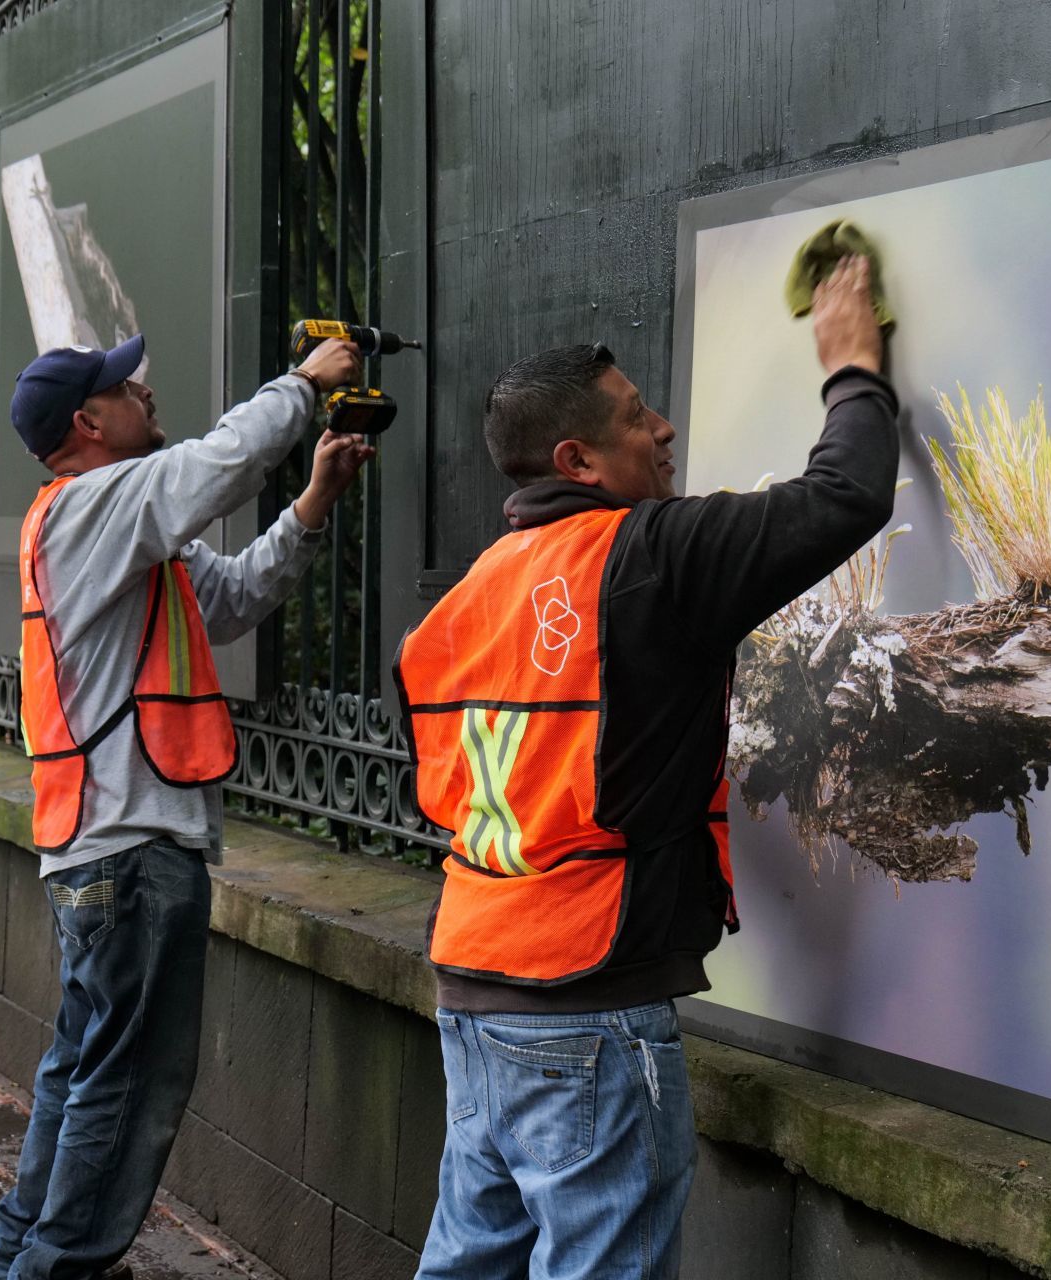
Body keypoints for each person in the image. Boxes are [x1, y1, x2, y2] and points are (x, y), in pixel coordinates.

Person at [397, 256, 900, 1279]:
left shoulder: (468, 597)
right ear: (580, 458)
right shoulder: (649, 558)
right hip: (586, 995)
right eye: (637, 417)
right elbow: (843, 496)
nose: (664, 427)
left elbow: (443, 787)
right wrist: (853, 365)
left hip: (473, 982)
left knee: (469, 1261)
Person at [0, 333, 371, 1280]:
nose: (145, 392)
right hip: (131, 852)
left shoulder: (109, 526)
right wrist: (302, 385)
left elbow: (229, 600)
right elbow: (218, 465)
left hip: (101, 847)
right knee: (129, 1084)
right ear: (89, 422)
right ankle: (56, 1269)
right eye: (127, 386)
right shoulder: (92, 504)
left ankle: (13, 1260)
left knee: (83, 1074)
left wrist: (312, 503)